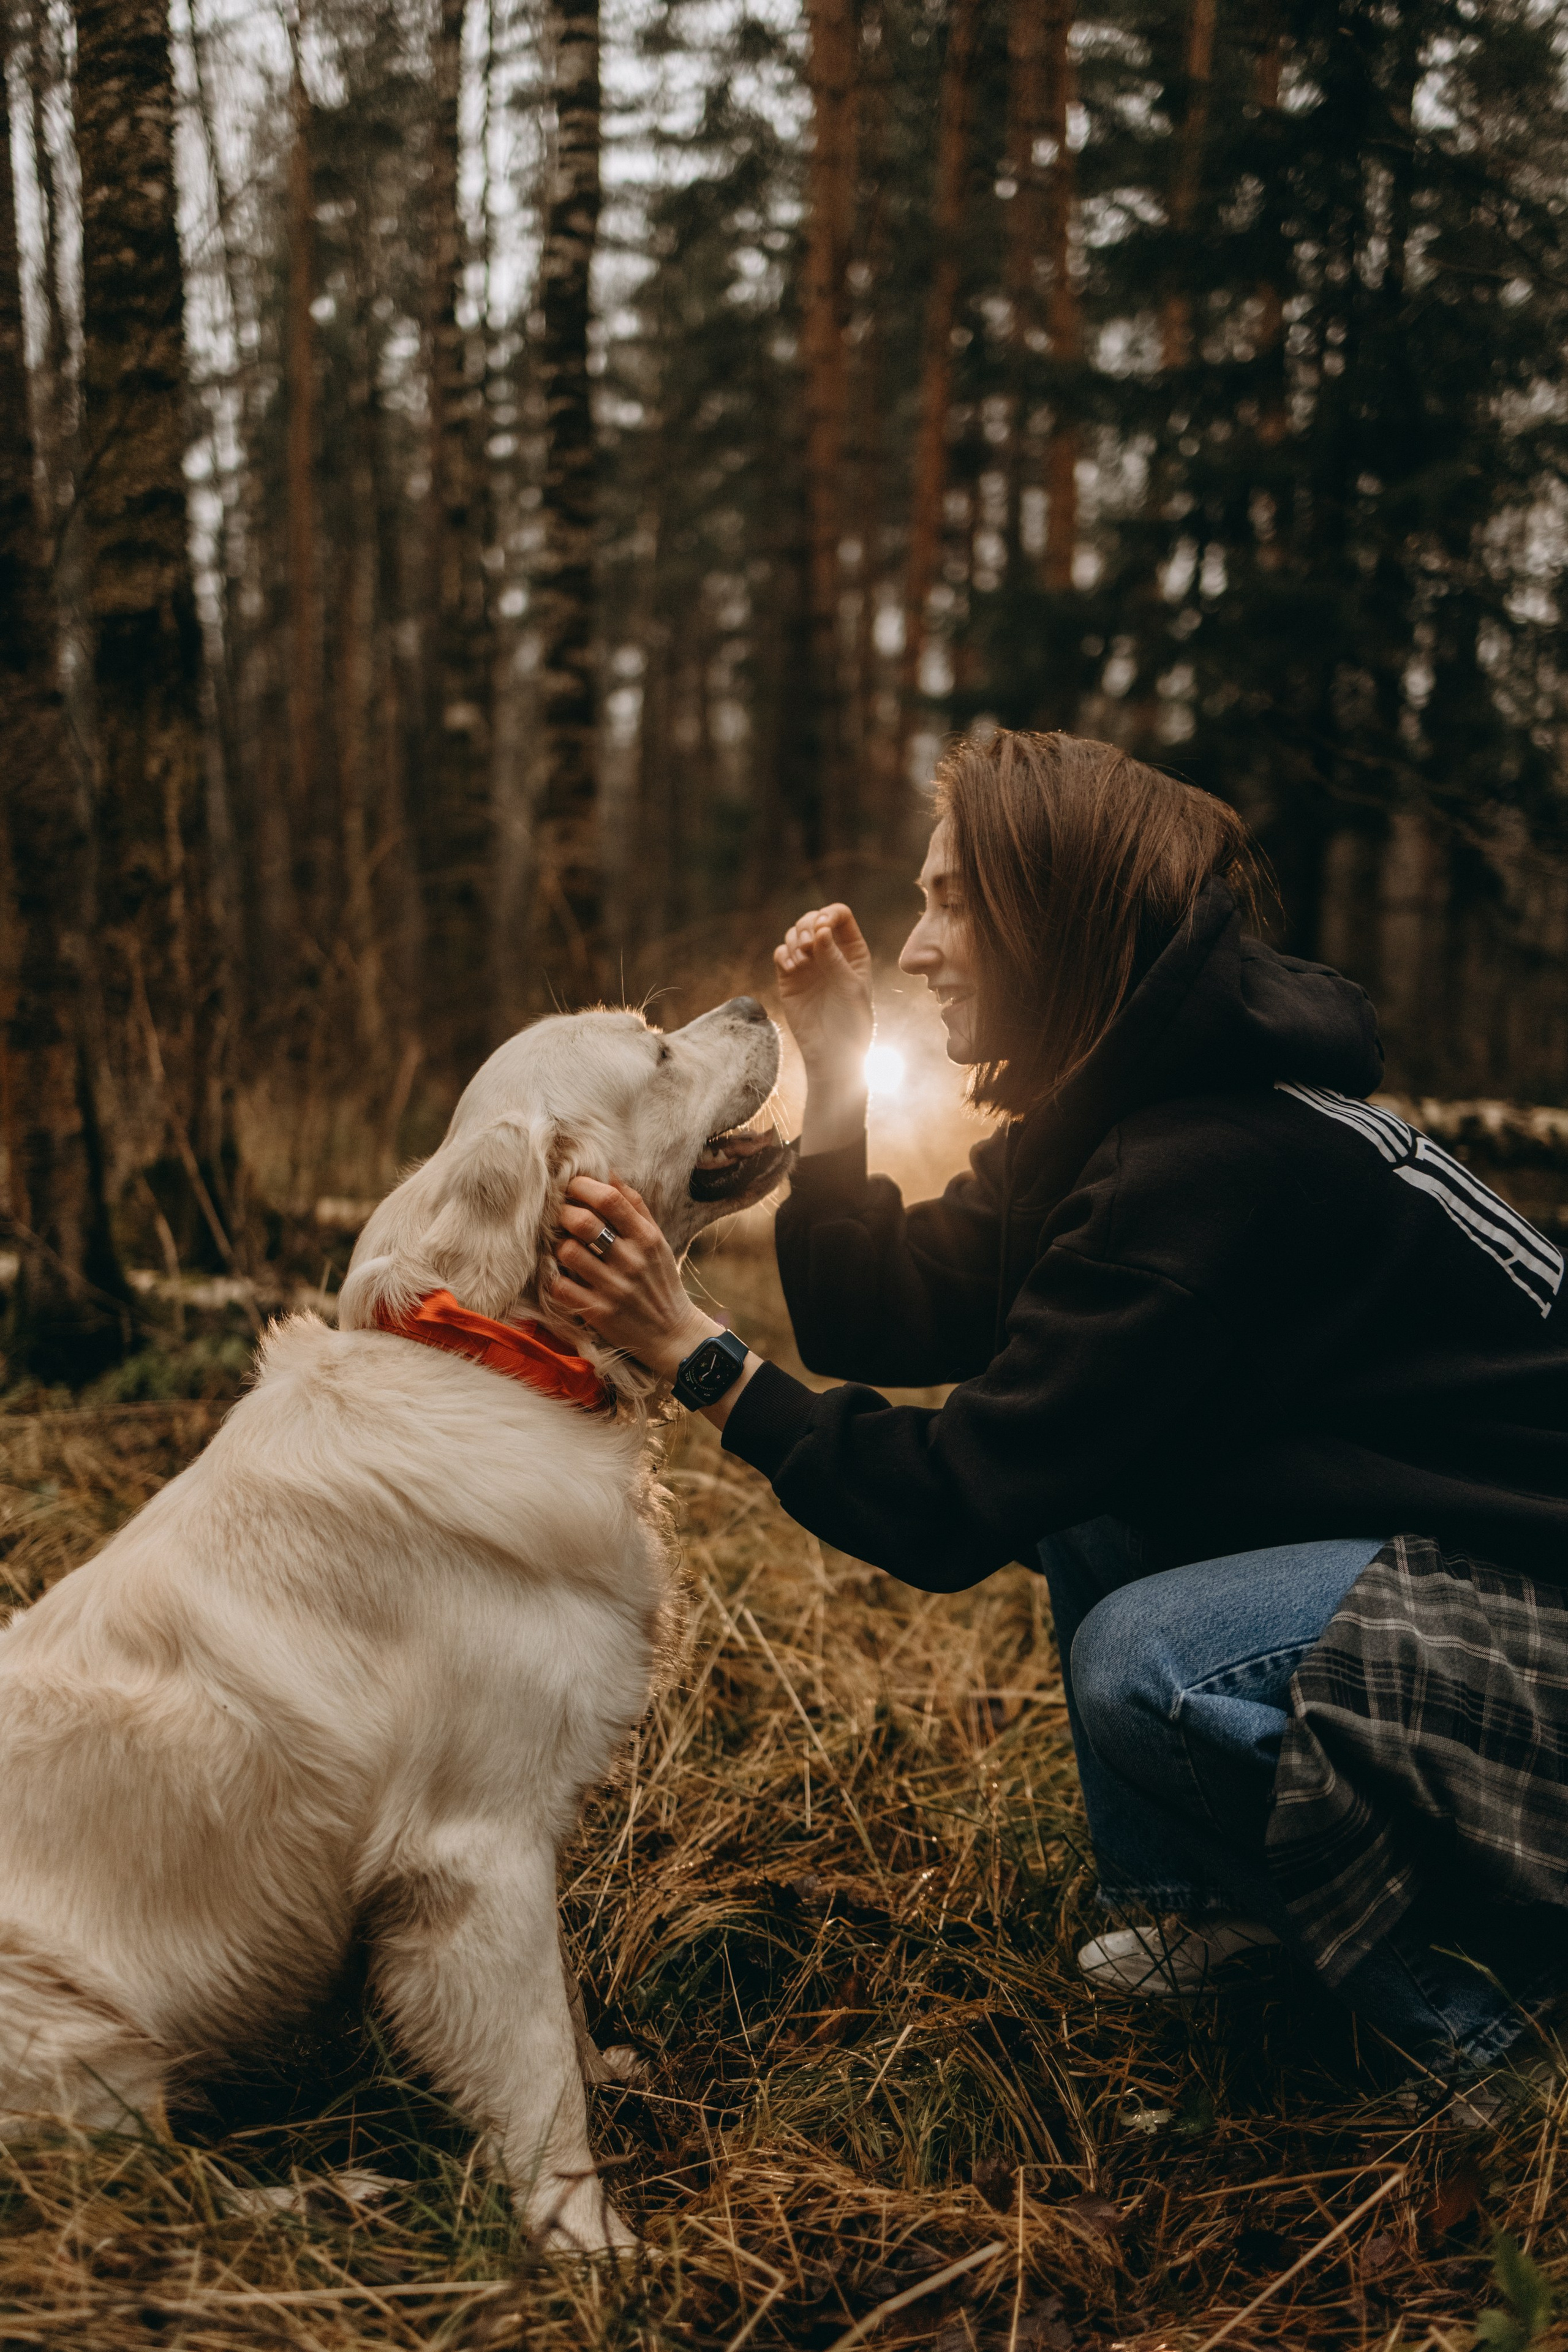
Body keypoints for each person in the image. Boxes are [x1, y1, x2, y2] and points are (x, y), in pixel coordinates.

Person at [550, 729, 1568, 2101]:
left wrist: (695, 1351)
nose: (916, 947)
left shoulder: (1200, 1172)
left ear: (1060, 914)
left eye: (955, 900)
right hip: (1468, 1588)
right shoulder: (1131, 1124)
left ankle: (1480, 2037)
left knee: (1151, 1656)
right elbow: (881, 1315)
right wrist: (839, 1069)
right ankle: (1225, 1917)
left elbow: (950, 1500)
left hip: (1535, 1637)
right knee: (1094, 1485)